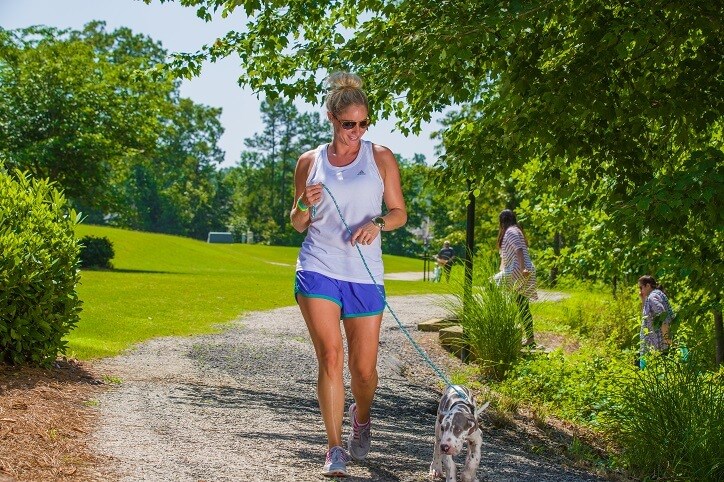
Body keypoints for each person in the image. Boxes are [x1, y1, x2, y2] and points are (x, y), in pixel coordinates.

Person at [290, 72, 407, 477]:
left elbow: (399, 213)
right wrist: (305, 203)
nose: (356, 131)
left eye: (363, 124)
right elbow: (297, 222)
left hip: (364, 273)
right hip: (318, 267)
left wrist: (378, 222)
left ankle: (362, 416)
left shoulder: (380, 157)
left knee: (363, 370)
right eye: (348, 124)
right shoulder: (310, 161)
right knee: (331, 356)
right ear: (331, 118)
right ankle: (334, 448)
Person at [495, 209, 538, 346]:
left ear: (503, 221)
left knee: (491, 287)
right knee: (522, 305)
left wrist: (522, 268)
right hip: (523, 270)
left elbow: (519, 249)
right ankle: (530, 339)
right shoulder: (517, 230)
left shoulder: (510, 231)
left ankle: (498, 325)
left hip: (518, 270)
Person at [637, 275, 674, 368]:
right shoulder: (658, 294)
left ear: (648, 286)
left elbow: (663, 317)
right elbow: (648, 316)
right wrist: (643, 300)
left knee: (652, 375)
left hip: (656, 346)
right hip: (657, 345)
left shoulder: (652, 297)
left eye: (641, 287)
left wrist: (667, 340)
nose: (640, 291)